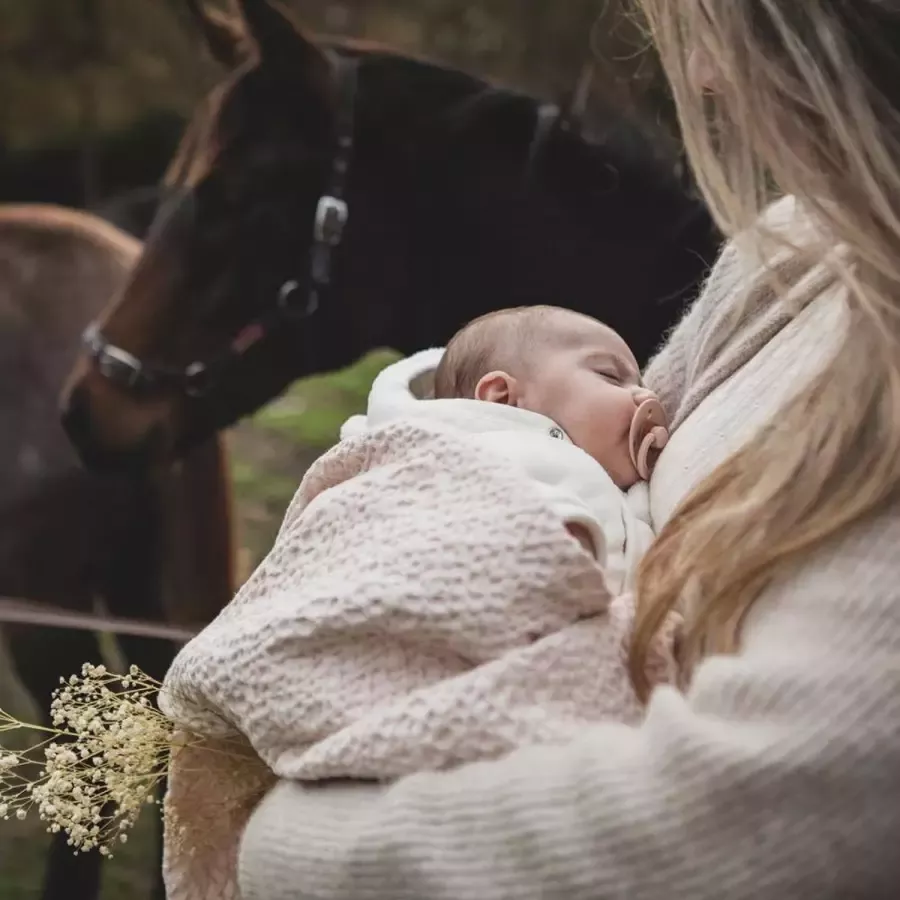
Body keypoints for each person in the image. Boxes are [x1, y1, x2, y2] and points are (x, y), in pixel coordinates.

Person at [233, 2, 900, 897]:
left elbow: (762, 809)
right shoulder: (793, 245)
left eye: (716, 24)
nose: (703, 78)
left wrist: (292, 848)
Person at [159, 306, 677, 900]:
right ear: (504, 397)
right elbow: (464, 533)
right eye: (612, 378)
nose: (642, 397)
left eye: (637, 381)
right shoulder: (492, 451)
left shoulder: (611, 486)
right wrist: (556, 550)